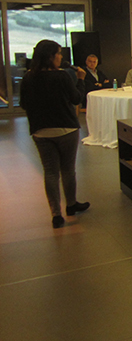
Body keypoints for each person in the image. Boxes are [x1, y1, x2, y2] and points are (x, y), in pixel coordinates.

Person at [19, 40, 90, 228]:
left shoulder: (28, 78)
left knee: (50, 172)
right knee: (68, 169)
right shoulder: (61, 77)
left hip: (41, 131)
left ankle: (56, 214)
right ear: (50, 56)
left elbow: (24, 104)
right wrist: (81, 80)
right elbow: (76, 98)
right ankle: (71, 204)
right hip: (66, 129)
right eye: (58, 53)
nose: (60, 57)